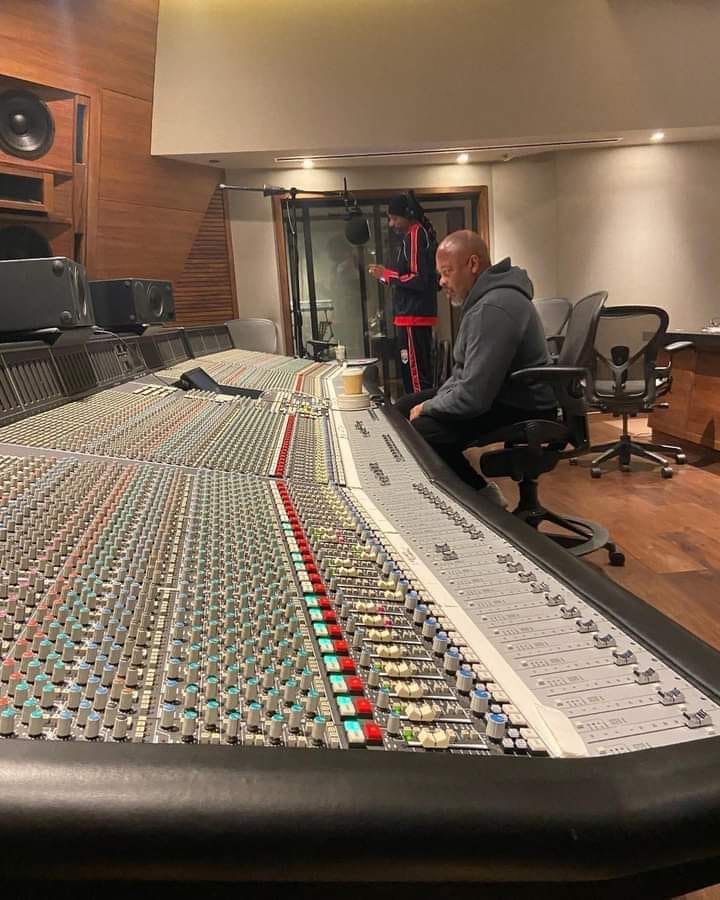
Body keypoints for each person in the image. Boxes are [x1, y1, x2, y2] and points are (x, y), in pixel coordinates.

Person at [395, 230, 557, 507]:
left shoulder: (493, 307)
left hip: (523, 404)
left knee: (422, 430)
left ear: (472, 264)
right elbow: (463, 375)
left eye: (447, 272)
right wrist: (431, 401)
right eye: (440, 274)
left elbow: (473, 397)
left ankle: (482, 500)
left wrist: (430, 407)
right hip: (501, 393)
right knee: (402, 409)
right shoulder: (483, 302)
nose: (441, 282)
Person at [367, 192, 437, 394]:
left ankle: (418, 413)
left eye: (394, 218)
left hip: (413, 317)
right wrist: (385, 275)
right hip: (411, 317)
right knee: (413, 375)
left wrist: (387, 275)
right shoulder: (414, 236)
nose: (391, 224)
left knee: (415, 379)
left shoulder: (415, 235)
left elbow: (418, 278)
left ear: (408, 215)